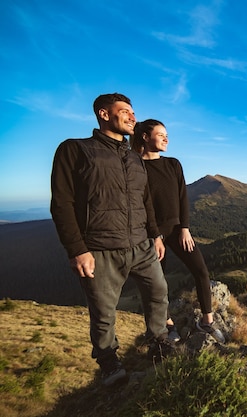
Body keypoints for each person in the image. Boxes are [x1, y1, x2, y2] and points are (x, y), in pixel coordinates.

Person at [50, 93, 173, 387]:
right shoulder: (76, 150)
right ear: (104, 114)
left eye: (133, 112)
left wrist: (154, 235)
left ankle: (159, 341)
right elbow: (61, 203)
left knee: (159, 292)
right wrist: (78, 249)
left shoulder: (133, 157)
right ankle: (108, 362)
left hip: (141, 245)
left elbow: (145, 201)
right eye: (126, 111)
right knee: (104, 312)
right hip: (100, 248)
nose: (133, 116)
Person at [130, 119, 225, 343]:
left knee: (201, 271)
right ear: (145, 137)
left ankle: (207, 321)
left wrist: (185, 228)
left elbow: (183, 197)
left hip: (176, 228)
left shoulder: (173, 164)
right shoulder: (136, 167)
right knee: (157, 283)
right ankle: (167, 325)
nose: (166, 139)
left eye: (167, 135)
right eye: (161, 134)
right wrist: (155, 236)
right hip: (150, 233)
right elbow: (144, 204)